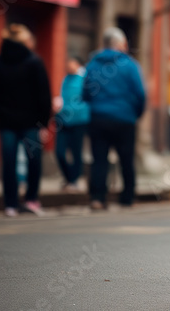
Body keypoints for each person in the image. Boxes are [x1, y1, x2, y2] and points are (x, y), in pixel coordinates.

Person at [0, 24, 51, 217]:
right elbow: (44, 94)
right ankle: (31, 200)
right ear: (25, 41)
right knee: (34, 162)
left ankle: (11, 204)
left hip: (7, 122)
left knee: (9, 163)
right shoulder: (34, 62)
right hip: (31, 122)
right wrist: (44, 122)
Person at [83, 28, 146, 210]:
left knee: (99, 159)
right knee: (126, 159)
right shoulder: (130, 64)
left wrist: (95, 106)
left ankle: (97, 198)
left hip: (98, 118)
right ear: (120, 44)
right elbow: (140, 94)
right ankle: (127, 197)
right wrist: (136, 113)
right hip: (124, 120)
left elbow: (86, 92)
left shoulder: (92, 64)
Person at [55, 57, 90, 191]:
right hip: (63, 119)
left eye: (71, 64)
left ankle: (74, 180)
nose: (68, 66)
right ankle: (69, 178)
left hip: (79, 120)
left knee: (76, 151)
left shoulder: (85, 78)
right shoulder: (66, 79)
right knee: (60, 152)